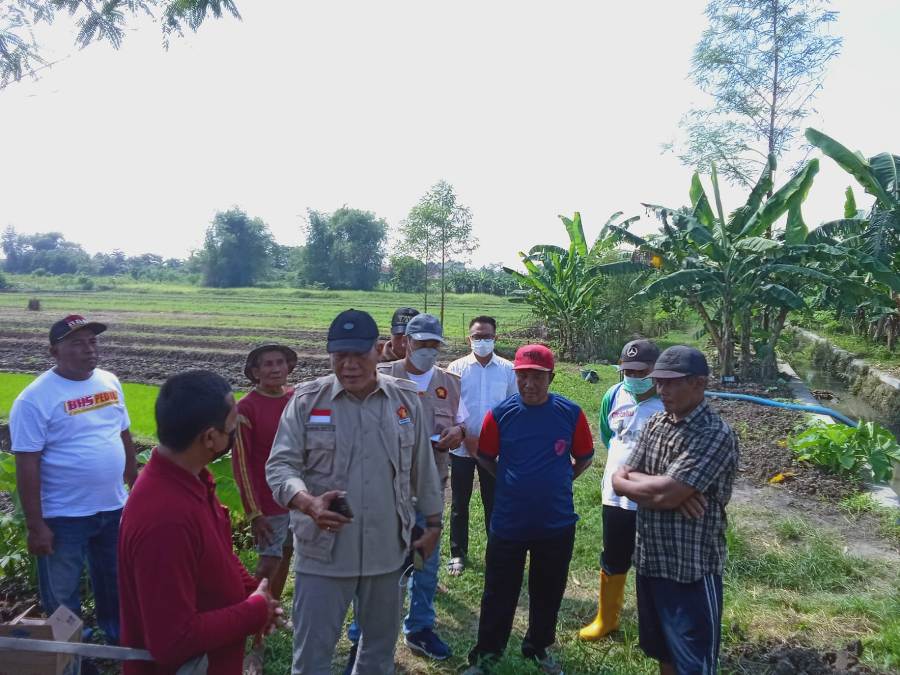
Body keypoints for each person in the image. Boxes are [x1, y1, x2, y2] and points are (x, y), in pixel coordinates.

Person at [265, 309, 444, 675]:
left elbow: (423, 467)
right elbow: (280, 466)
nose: (348, 365)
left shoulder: (404, 400)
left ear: (377, 351)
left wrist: (435, 523)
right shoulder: (306, 401)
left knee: (378, 655)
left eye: (358, 355)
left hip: (386, 553)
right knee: (312, 657)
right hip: (324, 553)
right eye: (339, 356)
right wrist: (307, 501)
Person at [118, 370, 281, 674]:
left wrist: (255, 591)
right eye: (233, 427)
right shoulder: (165, 519)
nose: (236, 432)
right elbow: (171, 641)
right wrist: (253, 610)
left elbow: (221, 555)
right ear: (210, 438)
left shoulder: (193, 481)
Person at [10, 314, 137, 648]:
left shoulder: (109, 381)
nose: (88, 350)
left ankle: (118, 644)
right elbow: (27, 463)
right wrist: (36, 526)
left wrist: (133, 480)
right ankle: (70, 657)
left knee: (115, 581)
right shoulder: (33, 399)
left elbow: (123, 432)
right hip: (63, 516)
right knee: (62, 595)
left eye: (92, 342)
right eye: (77, 343)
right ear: (54, 351)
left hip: (113, 507)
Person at [466, 344, 594, 675]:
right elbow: (485, 455)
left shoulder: (570, 413)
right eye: (522, 376)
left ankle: (537, 647)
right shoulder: (500, 414)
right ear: (516, 377)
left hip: (556, 521)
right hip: (509, 520)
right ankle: (487, 655)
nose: (529, 384)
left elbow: (584, 456)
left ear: (550, 377)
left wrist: (561, 478)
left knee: (548, 590)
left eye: (537, 377)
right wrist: (510, 480)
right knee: (498, 590)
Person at [612, 346, 739, 675]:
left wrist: (665, 491)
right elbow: (620, 476)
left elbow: (664, 494)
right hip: (651, 559)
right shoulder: (657, 422)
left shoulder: (714, 434)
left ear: (700, 383)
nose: (661, 390)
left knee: (693, 661)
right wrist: (667, 488)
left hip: (690, 567)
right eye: (659, 383)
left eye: (671, 383)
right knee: (663, 652)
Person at [372, 312, 466, 661]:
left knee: (425, 562)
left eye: (434, 345)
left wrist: (456, 434)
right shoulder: (382, 377)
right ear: (406, 342)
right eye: (422, 343)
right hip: (386, 488)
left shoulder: (451, 382)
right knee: (379, 562)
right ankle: (363, 635)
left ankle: (420, 627)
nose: (428, 350)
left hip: (431, 488)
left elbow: (461, 424)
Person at [579, 339, 664, 641]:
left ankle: (655, 623)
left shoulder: (669, 400)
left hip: (655, 497)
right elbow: (607, 435)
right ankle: (607, 618)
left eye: (640, 371)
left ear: (657, 370)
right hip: (615, 496)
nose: (632, 377)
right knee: (613, 554)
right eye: (627, 370)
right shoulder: (613, 395)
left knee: (654, 560)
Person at [232, 343, 298, 671]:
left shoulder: (294, 399)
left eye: (280, 363)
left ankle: (272, 612)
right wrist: (253, 512)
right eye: (267, 364)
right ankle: (252, 640)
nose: (275, 369)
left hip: (296, 498)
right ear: (255, 372)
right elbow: (241, 464)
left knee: (285, 555)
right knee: (266, 565)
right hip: (268, 503)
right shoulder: (247, 408)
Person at [445, 315, 516, 577]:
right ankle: (457, 554)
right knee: (459, 503)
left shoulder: (508, 370)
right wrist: (464, 435)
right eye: (477, 336)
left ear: (495, 338)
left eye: (487, 336)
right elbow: (450, 406)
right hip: (462, 447)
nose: (482, 341)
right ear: (469, 339)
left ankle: (496, 553)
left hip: (493, 451)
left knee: (494, 502)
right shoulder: (456, 368)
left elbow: (512, 407)